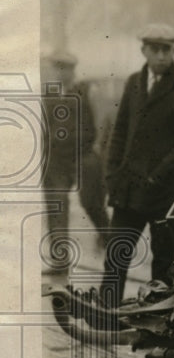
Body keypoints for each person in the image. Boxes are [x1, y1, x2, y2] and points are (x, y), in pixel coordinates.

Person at [99, 24, 174, 307]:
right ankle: (106, 314)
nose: (160, 55)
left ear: (173, 52)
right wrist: (112, 174)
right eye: (154, 49)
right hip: (128, 190)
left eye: (166, 49)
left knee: (164, 262)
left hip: (165, 192)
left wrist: (158, 175)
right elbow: (119, 133)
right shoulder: (134, 82)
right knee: (116, 254)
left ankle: (160, 321)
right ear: (143, 50)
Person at [41, 50, 110, 273]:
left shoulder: (85, 90)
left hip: (84, 154)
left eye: (66, 68)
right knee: (56, 205)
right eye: (58, 68)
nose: (62, 72)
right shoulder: (48, 94)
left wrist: (98, 148)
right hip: (57, 159)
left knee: (92, 203)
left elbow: (102, 120)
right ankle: (59, 261)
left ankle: (113, 245)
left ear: (73, 70)